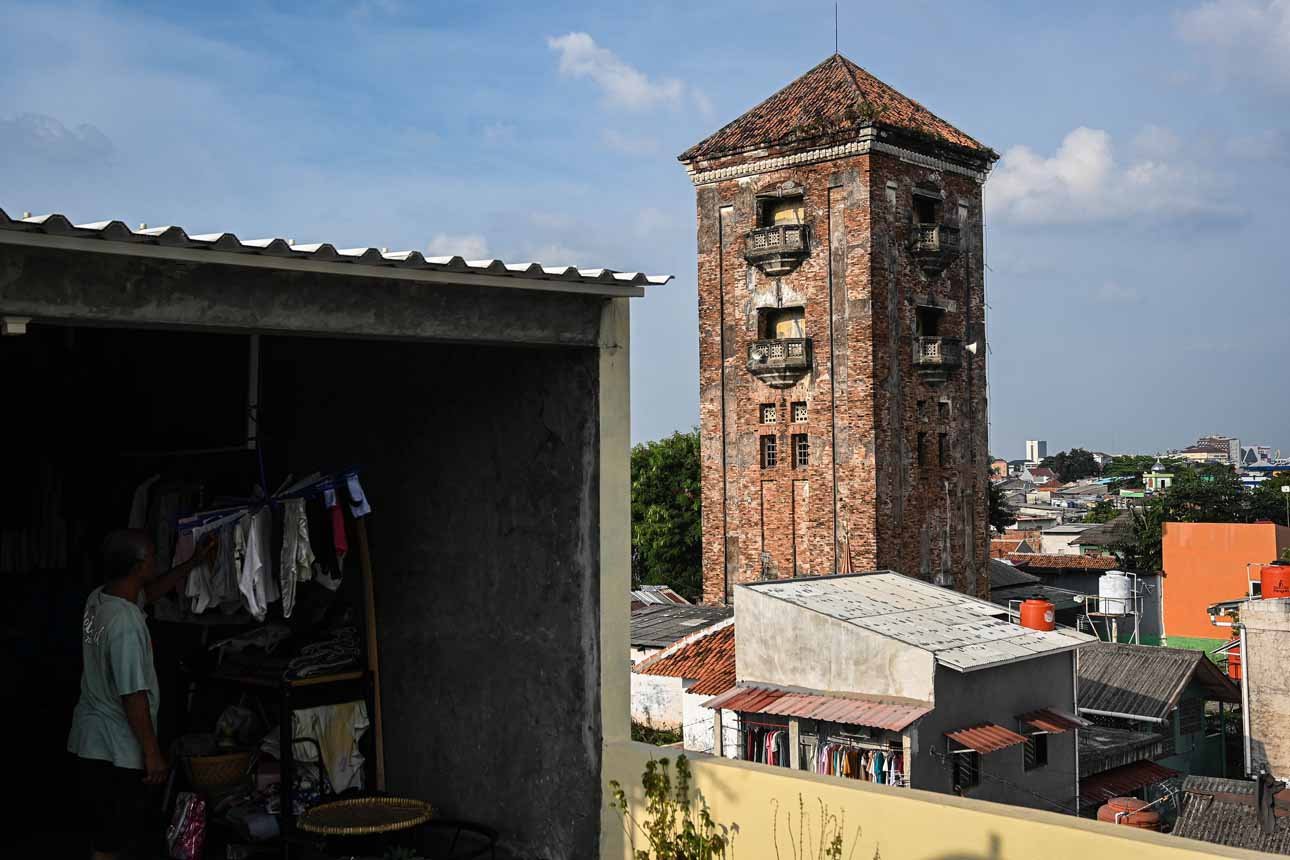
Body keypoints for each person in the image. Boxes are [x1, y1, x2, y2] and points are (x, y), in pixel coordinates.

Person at [68, 528, 217, 860]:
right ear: (137, 566)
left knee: (105, 837)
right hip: (115, 749)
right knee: (114, 842)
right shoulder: (125, 625)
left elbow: (147, 592)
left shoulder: (100, 599)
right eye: (151, 556)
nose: (156, 560)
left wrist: (191, 563)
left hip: (91, 741)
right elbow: (133, 694)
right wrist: (152, 754)